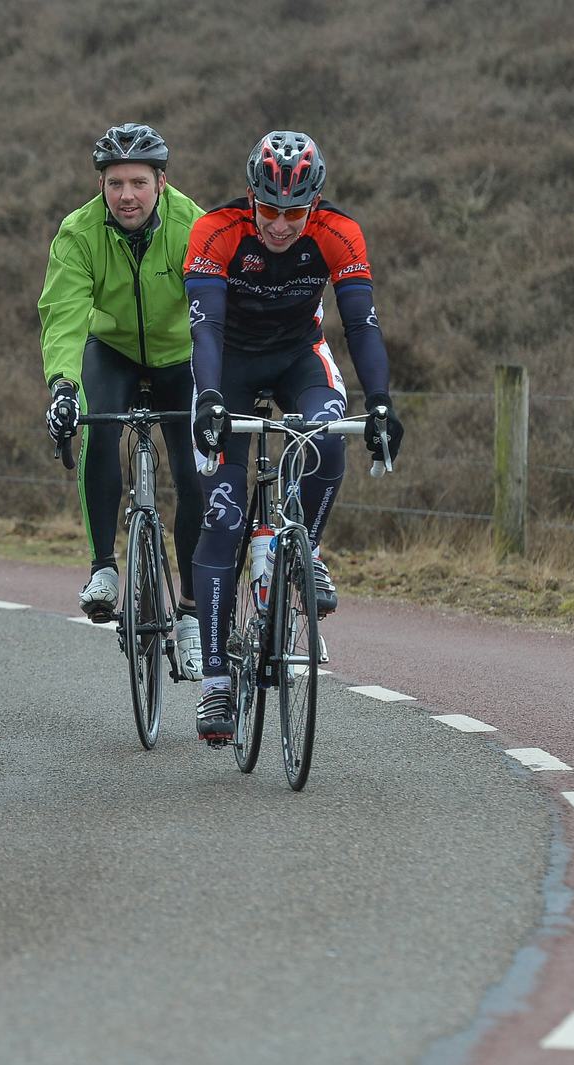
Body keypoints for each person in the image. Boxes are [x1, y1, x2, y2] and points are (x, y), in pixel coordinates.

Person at [184, 130, 406, 743]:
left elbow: (361, 324)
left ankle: (303, 549)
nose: (280, 225)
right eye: (270, 210)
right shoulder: (216, 231)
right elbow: (204, 330)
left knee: (327, 435)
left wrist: (381, 403)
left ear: (315, 204)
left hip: (297, 356)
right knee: (223, 519)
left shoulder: (339, 232)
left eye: (295, 212)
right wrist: (208, 400)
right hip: (225, 365)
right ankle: (216, 682)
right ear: (251, 196)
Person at [38, 123, 206, 681]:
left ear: (162, 182)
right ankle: (104, 568)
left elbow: (213, 311)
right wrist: (63, 385)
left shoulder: (193, 226)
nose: (126, 195)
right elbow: (64, 316)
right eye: (115, 184)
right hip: (111, 351)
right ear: (101, 186)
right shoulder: (78, 232)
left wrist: (219, 382)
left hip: (180, 355)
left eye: (138, 182)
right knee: (99, 428)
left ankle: (190, 613)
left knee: (195, 470)